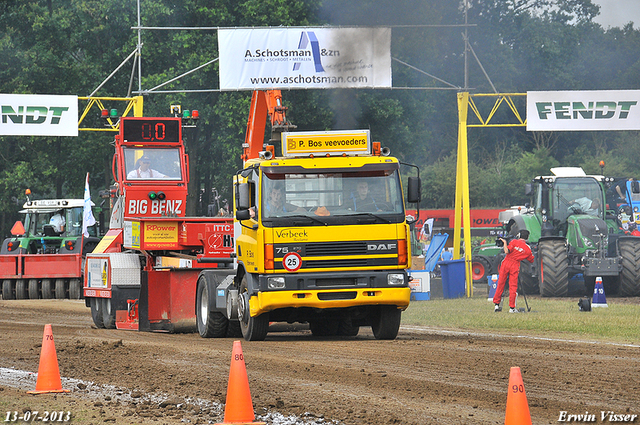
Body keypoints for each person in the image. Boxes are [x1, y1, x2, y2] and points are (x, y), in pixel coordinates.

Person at [493, 230, 534, 313]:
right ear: (527, 237)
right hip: (515, 266)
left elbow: (507, 251)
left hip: (506, 263)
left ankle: (497, 305)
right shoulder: (528, 249)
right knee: (513, 287)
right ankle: (512, 308)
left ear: (519, 235)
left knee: (501, 284)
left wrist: (505, 243)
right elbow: (531, 260)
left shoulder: (514, 242)